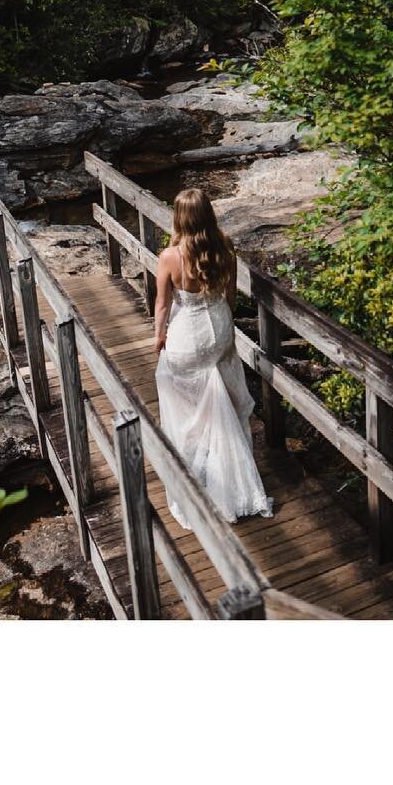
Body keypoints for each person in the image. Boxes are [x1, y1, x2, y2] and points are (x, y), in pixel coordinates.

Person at [153, 187, 272, 529]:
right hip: (220, 327)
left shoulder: (170, 256)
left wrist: (159, 336)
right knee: (223, 401)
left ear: (179, 217)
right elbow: (230, 294)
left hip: (189, 334)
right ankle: (230, 475)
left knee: (185, 403)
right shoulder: (225, 245)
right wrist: (223, 325)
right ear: (208, 214)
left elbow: (162, 305)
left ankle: (199, 475)